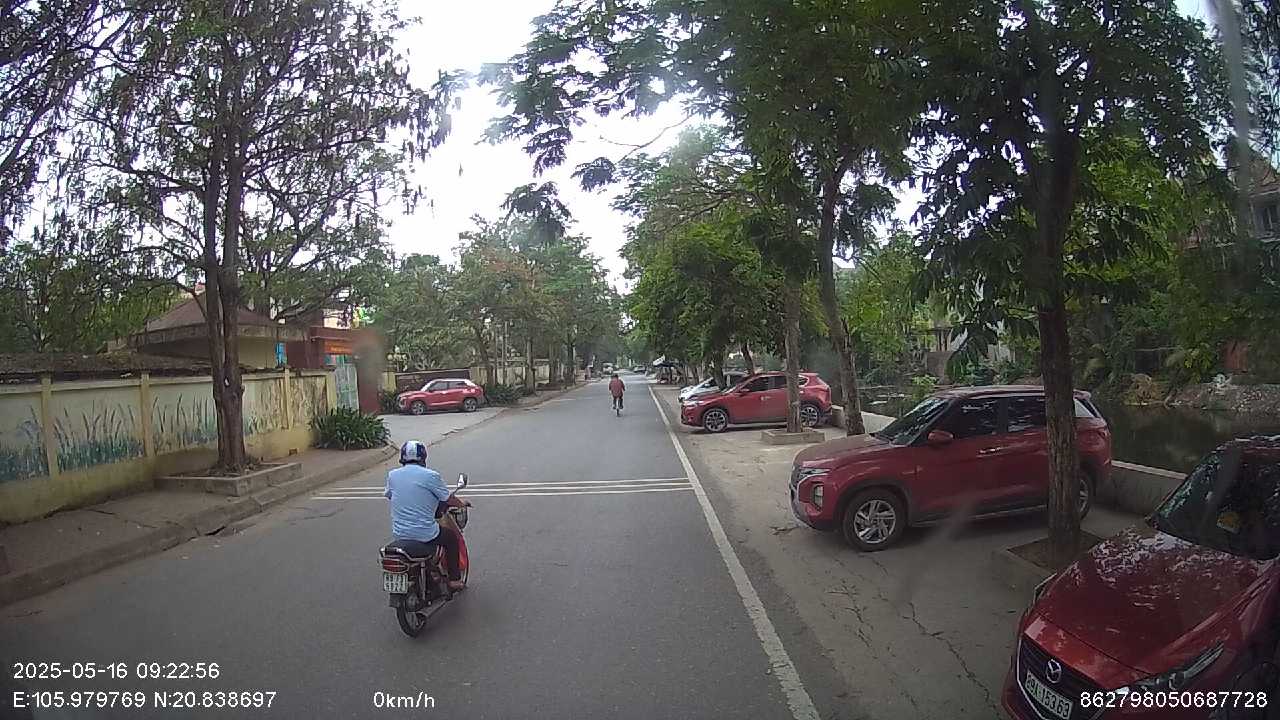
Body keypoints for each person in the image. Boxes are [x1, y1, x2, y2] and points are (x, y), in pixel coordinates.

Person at [384, 440, 470, 591]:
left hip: (400, 533)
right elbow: (448, 499)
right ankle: (454, 580)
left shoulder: (393, 475)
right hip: (425, 533)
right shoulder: (431, 476)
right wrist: (461, 504)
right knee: (451, 539)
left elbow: (390, 495)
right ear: (423, 457)